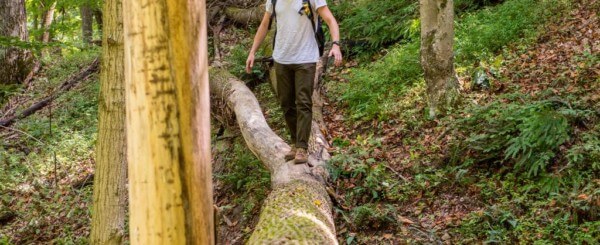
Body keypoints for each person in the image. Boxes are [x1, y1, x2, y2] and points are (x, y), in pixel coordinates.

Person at [246, 0, 342, 164]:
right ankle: (295, 143)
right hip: (281, 58)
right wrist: (252, 51)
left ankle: (302, 148)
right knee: (286, 103)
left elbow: (330, 20)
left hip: (305, 58)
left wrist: (336, 44)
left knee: (303, 102)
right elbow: (264, 25)